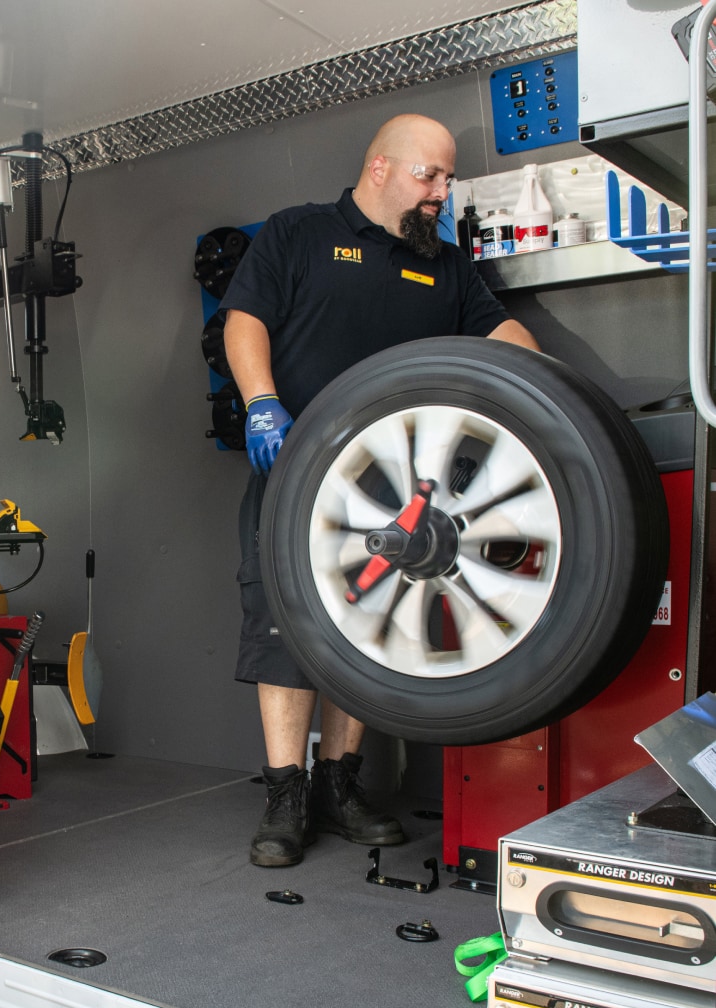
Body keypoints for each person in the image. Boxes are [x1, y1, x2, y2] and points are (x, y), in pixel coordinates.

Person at [220, 113, 539, 868]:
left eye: (448, 179)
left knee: (367, 632)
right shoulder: (298, 235)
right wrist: (262, 403)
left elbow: (506, 338)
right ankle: (285, 792)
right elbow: (244, 320)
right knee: (284, 629)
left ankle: (339, 782)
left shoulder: (450, 268)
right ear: (380, 170)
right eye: (429, 176)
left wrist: (547, 383)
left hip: (401, 495)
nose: (441, 192)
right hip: (296, 474)